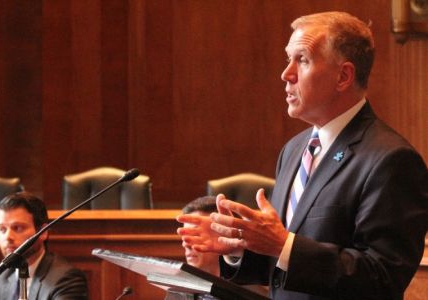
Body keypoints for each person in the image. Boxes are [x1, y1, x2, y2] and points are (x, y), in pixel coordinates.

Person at [177, 11, 428, 300]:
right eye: (288, 59)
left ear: (343, 76)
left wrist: (284, 245)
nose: (286, 74)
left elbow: (383, 278)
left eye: (303, 60)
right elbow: (281, 263)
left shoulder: (391, 159)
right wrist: (239, 247)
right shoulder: (294, 150)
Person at [0, 191, 88, 300]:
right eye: (2, 229)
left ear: (43, 232)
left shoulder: (66, 279)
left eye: (18, 228)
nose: (8, 237)